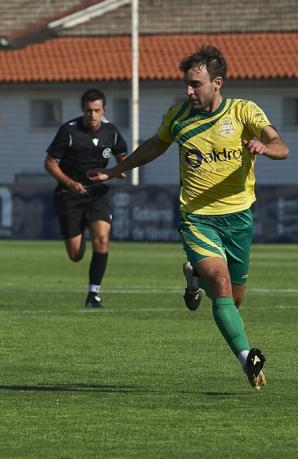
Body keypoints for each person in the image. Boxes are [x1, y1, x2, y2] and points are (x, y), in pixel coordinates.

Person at [88, 46, 289, 390]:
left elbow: (281, 145)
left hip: (238, 218)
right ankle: (247, 359)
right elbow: (154, 145)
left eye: (195, 84)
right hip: (196, 218)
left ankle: (193, 276)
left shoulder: (243, 111)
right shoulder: (179, 116)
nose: (189, 91)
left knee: (233, 299)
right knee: (222, 283)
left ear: (217, 83)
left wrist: (265, 149)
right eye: (187, 84)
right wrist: (115, 170)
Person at [44, 89, 127, 308]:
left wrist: (119, 170)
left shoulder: (112, 132)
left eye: (97, 110)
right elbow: (50, 163)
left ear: (104, 110)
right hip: (69, 196)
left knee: (101, 239)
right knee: (75, 254)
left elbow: (123, 158)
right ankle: (78, 232)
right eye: (89, 111)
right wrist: (70, 183)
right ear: (82, 110)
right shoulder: (69, 132)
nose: (92, 115)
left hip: (97, 194)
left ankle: (94, 294)